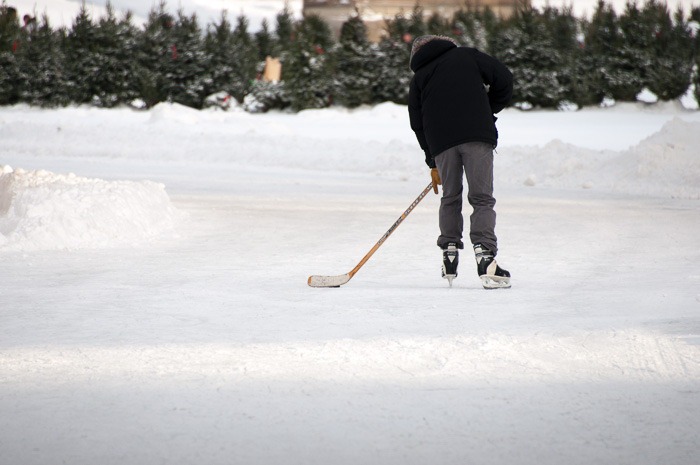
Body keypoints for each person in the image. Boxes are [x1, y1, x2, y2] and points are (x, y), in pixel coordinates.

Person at [408, 35, 513, 289]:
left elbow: (417, 122)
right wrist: (487, 109)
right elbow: (504, 78)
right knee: (481, 198)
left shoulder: (419, 77)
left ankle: (450, 251)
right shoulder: (466, 55)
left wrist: (432, 160)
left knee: (450, 196)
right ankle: (485, 257)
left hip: (441, 143)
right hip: (476, 135)